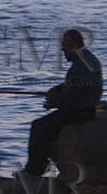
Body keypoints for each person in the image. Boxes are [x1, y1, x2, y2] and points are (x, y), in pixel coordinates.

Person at [23, 29, 102, 176]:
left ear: (75, 45)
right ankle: (41, 164)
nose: (62, 49)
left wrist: (53, 102)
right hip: (84, 108)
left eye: (66, 45)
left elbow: (74, 95)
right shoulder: (86, 60)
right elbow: (74, 86)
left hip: (80, 111)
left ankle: (35, 168)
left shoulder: (82, 65)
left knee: (39, 126)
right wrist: (57, 89)